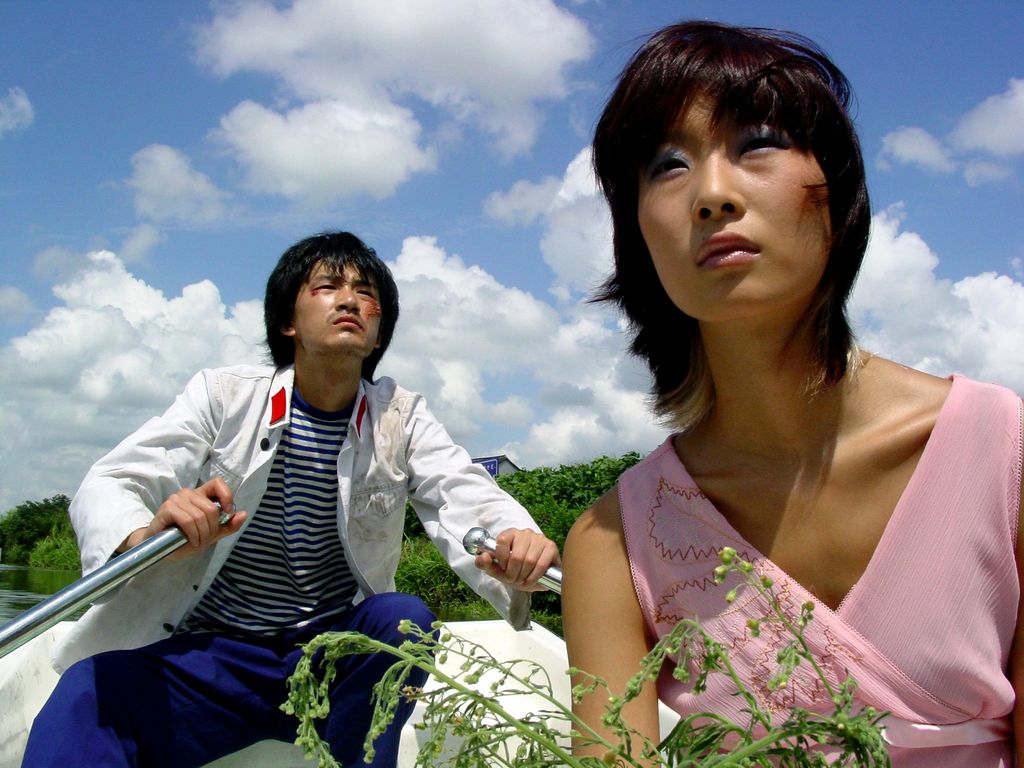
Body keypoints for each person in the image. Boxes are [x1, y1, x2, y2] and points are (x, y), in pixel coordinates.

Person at [562, 20, 1022, 768]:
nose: (713, 193)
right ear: (636, 234)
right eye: (668, 165)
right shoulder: (613, 545)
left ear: (836, 194)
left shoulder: (1006, 451)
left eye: (759, 143)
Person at [23, 231, 559, 768]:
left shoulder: (401, 416)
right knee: (86, 694)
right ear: (288, 322)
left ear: (377, 335)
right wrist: (145, 535)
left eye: (365, 293)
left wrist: (516, 540)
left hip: (329, 658)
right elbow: (114, 479)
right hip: (216, 656)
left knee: (403, 619)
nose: (349, 300)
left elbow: (461, 491)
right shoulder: (223, 396)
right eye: (327, 286)